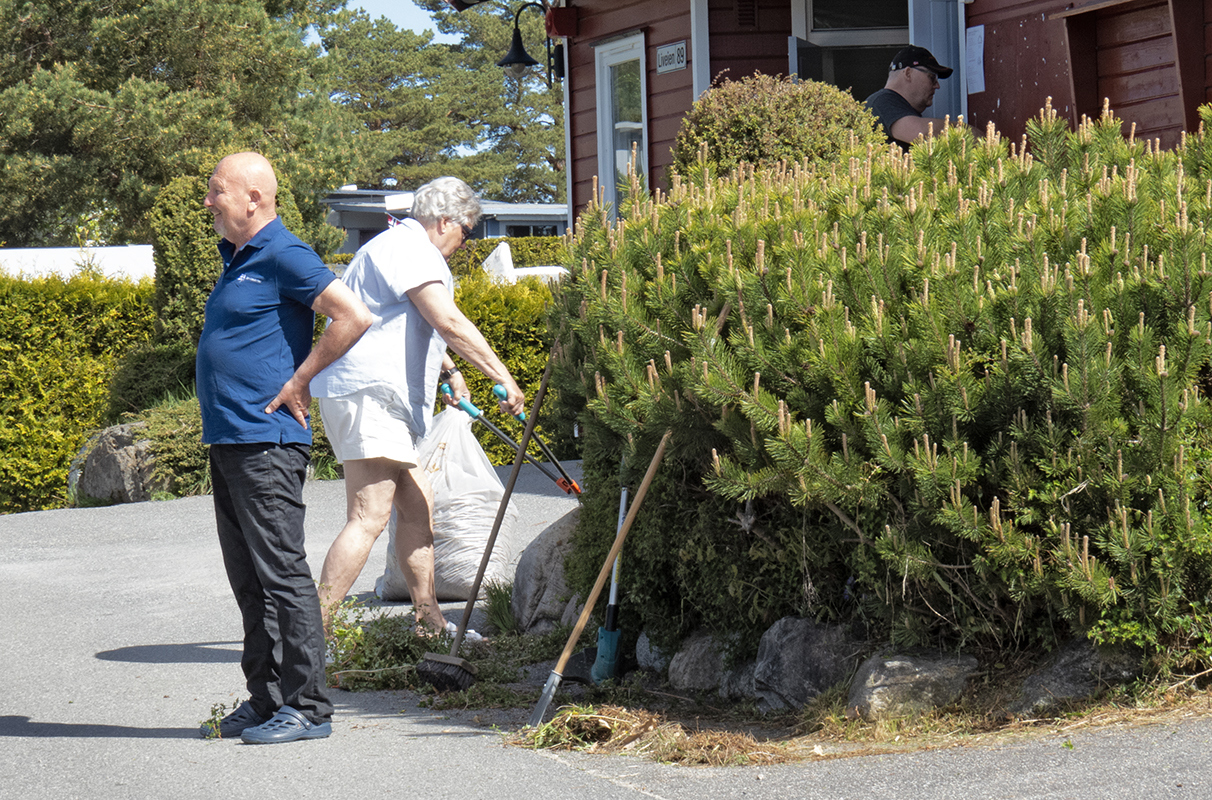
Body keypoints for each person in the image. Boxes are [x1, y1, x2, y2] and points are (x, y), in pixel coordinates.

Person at [196, 152, 372, 744]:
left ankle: (309, 708)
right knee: (249, 579)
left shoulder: (283, 253)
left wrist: (301, 379)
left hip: (266, 442)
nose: (208, 201)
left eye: (216, 190)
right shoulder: (238, 258)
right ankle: (266, 699)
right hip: (231, 440)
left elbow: (352, 315)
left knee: (283, 576)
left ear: (254, 197)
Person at [310, 176, 525, 636]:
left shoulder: (392, 247)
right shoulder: (412, 249)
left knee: (417, 508)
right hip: (371, 395)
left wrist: (449, 372)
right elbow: (447, 320)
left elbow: (405, 318)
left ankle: (429, 621)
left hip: (372, 397)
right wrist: (501, 375)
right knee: (368, 517)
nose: (463, 243)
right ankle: (311, 634)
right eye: (465, 232)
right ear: (444, 220)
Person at [864, 46, 957, 151]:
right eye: (932, 77)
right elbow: (919, 133)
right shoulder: (881, 101)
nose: (937, 85)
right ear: (908, 73)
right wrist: (964, 130)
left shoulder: (895, 106)